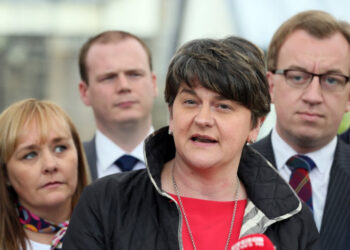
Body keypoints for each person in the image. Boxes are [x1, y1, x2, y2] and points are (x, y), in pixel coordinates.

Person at [63, 37, 319, 250]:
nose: (203, 119)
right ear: (171, 115)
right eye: (190, 102)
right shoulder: (106, 202)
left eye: (223, 106)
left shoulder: (292, 222)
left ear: (255, 126)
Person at [252, 10, 350, 250]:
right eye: (297, 77)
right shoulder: (229, 175)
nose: (313, 96)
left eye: (332, 80)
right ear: (271, 86)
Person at [0, 98, 90, 250]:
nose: (50, 165)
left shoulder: (115, 229)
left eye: (60, 148)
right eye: (30, 155)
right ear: (5, 174)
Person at [78, 30, 158, 180]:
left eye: (134, 74)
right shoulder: (69, 168)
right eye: (108, 78)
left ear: (154, 83)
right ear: (84, 92)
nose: (123, 86)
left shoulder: (188, 162)